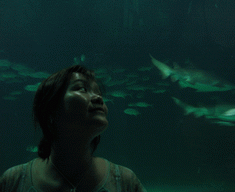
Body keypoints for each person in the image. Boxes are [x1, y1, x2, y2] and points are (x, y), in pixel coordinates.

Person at [0, 65, 147, 192]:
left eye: (99, 93)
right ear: (51, 111)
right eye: (82, 89)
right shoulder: (13, 181)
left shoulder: (126, 181)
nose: (98, 98)